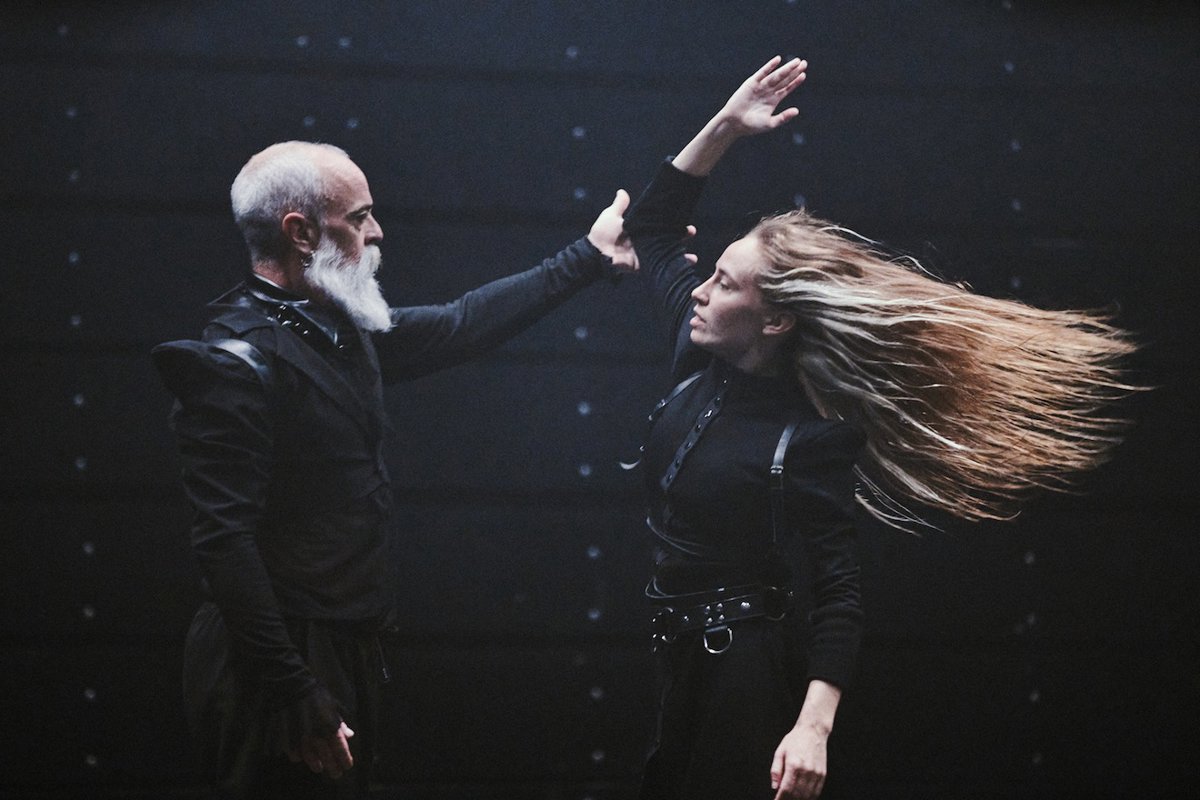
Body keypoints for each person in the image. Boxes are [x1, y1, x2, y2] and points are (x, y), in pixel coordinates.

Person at [621, 57, 1135, 800]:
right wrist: (726, 127)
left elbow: (839, 593)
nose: (699, 291)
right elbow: (653, 226)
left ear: (774, 319)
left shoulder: (807, 439)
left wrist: (812, 729)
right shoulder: (695, 348)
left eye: (725, 282)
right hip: (674, 659)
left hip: (745, 667)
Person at [152, 141, 639, 799]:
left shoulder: (331, 329)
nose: (377, 232)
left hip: (338, 646)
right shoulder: (235, 363)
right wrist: (292, 687)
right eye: (359, 218)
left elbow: (461, 325)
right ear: (301, 232)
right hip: (272, 659)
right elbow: (223, 543)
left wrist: (587, 256)